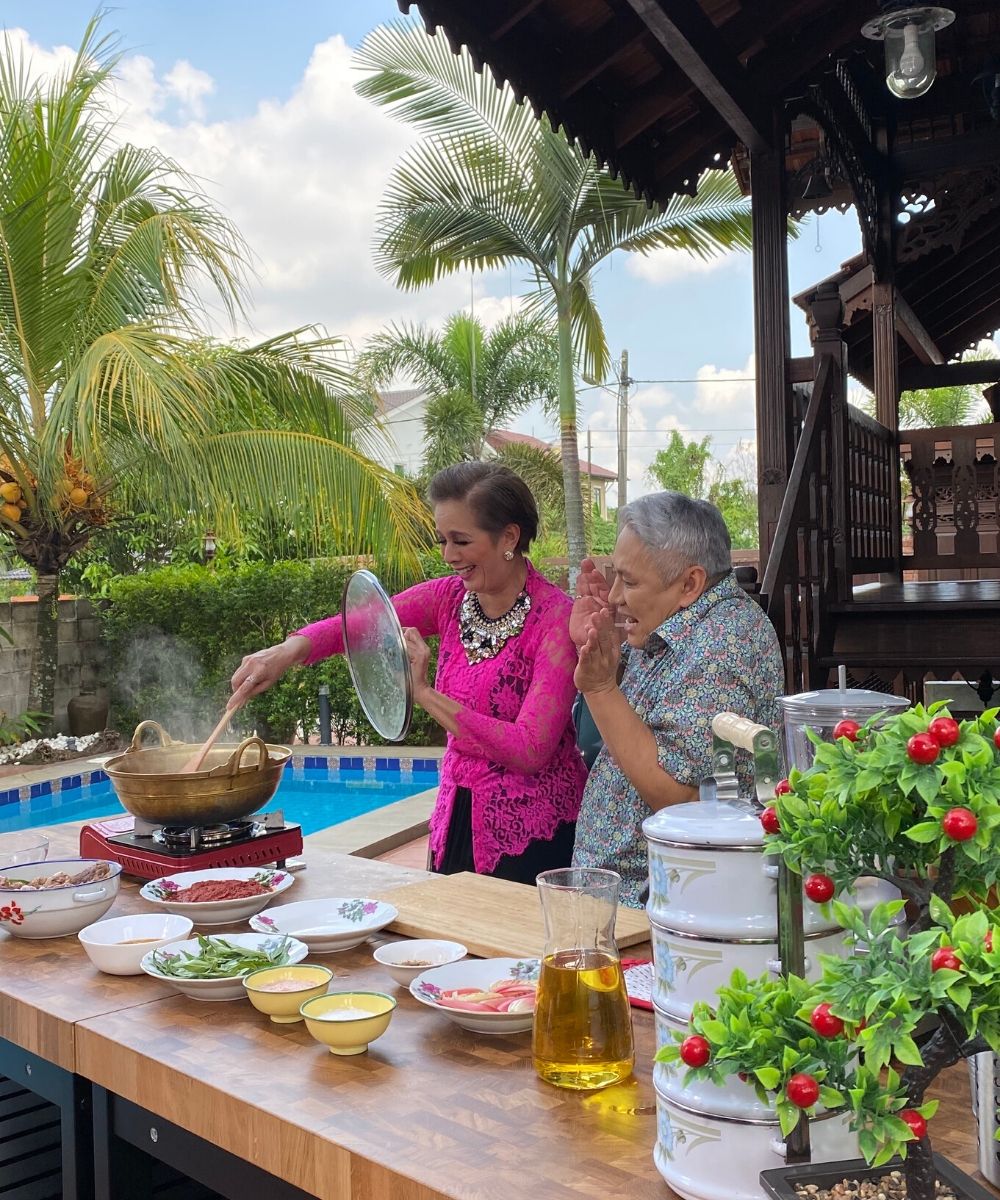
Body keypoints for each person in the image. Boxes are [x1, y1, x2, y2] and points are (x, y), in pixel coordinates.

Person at [230, 461, 587, 883]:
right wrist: (283, 653)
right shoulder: (449, 598)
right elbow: (359, 622)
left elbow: (529, 749)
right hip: (457, 815)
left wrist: (423, 694)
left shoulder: (554, 620)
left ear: (509, 536)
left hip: (534, 833)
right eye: (442, 540)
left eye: (461, 541)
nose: (448, 555)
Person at [570, 491, 783, 908]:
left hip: (663, 903)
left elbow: (680, 796)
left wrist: (600, 688)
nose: (614, 596)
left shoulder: (723, 644)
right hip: (625, 892)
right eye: (616, 576)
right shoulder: (674, 620)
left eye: (629, 582)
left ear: (690, 583)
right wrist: (601, 652)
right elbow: (620, 729)